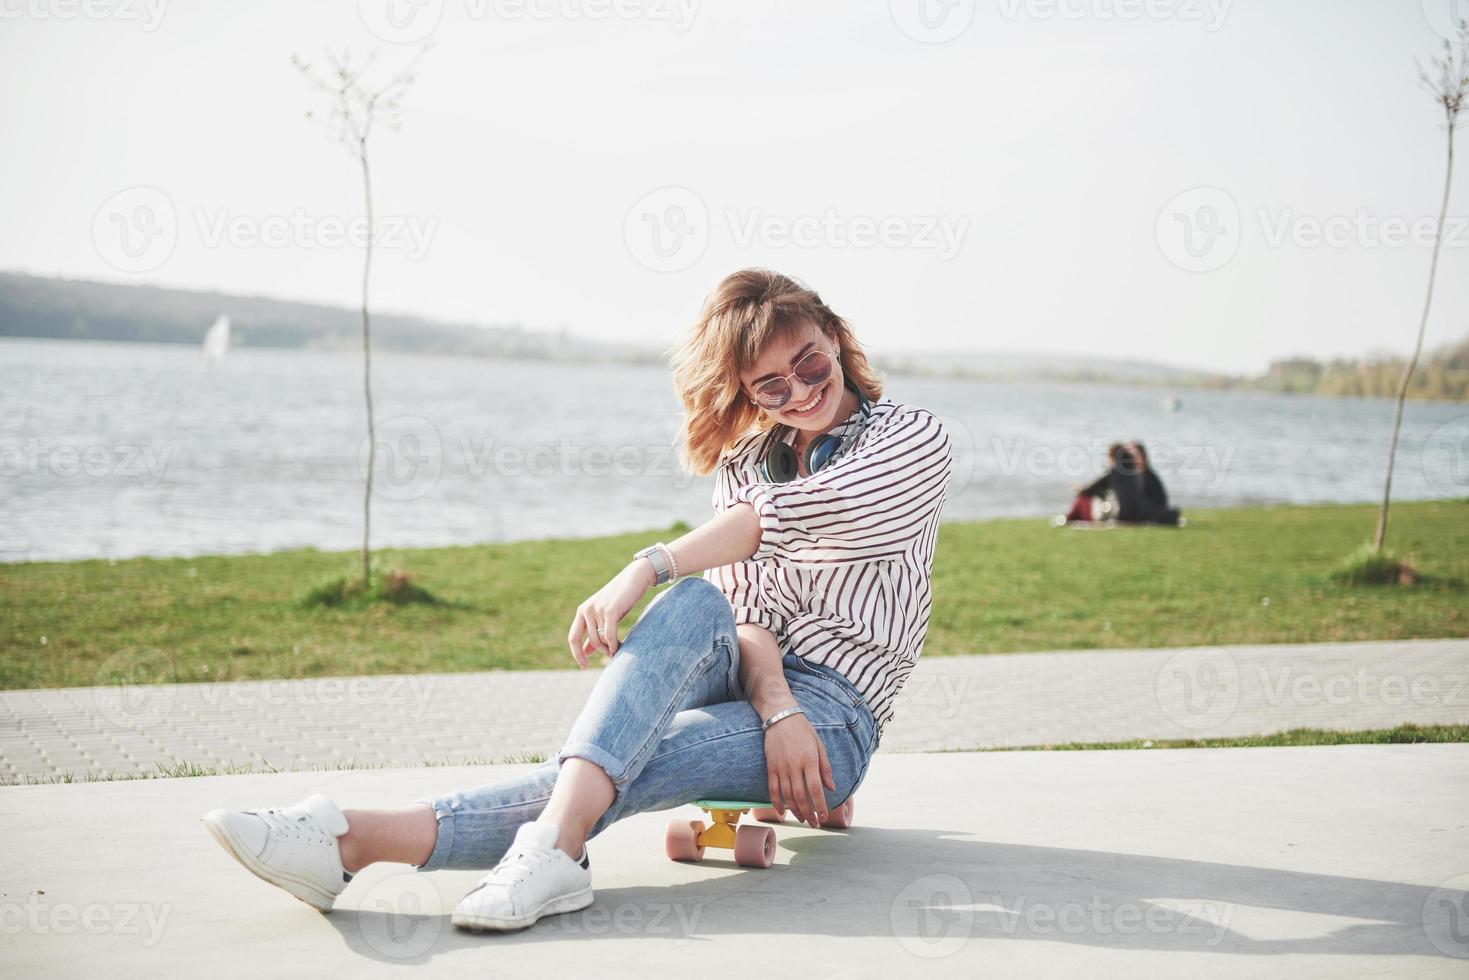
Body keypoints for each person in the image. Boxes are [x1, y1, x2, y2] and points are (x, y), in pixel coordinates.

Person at [201, 268, 955, 933]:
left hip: (834, 718)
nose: (799, 391)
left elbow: (776, 524)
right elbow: (746, 615)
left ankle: (352, 839)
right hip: (771, 689)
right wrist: (773, 703)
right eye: (770, 386)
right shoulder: (750, 459)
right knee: (694, 606)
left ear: (833, 335)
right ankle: (550, 850)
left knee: (637, 758)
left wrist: (645, 568)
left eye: (807, 361)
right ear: (748, 393)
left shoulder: (912, 439)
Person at [1064, 440, 1181, 525]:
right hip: (1139, 515)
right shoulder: (1136, 474)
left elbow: (1088, 490)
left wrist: (1079, 488)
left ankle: (1067, 519)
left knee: (1082, 500)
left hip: (1119, 514)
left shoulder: (1114, 472)